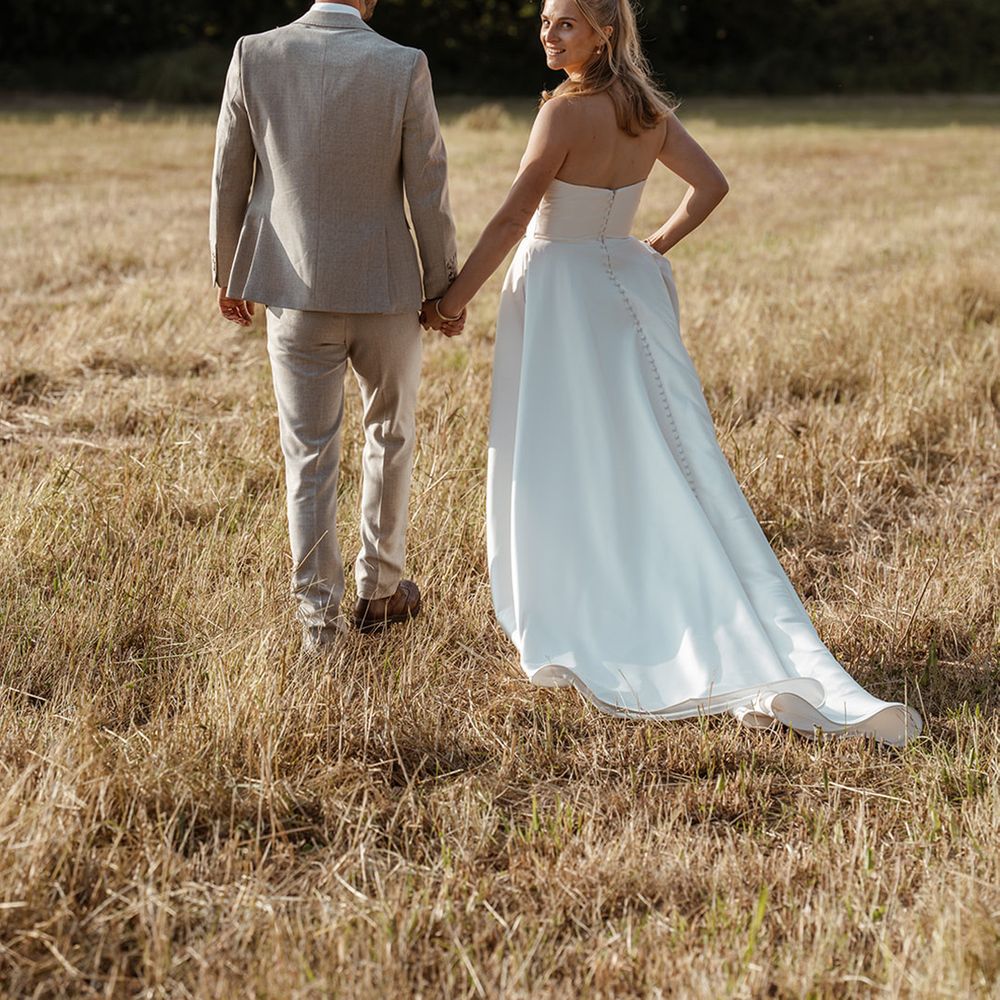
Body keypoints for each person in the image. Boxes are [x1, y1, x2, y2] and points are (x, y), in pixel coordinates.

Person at [434, 0, 922, 744]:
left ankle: (597, 598)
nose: (548, 33)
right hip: (621, 290)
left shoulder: (565, 114)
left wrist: (453, 298)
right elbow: (711, 186)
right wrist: (647, 245)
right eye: (543, 20)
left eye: (564, 22)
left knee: (565, 450)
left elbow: (510, 218)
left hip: (561, 294)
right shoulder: (646, 109)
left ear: (603, 31)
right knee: (649, 451)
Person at [209, 1, 464, 650]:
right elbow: (428, 188)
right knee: (391, 433)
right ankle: (379, 591)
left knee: (309, 458)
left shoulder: (254, 54)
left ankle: (318, 626)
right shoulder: (403, 65)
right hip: (387, 291)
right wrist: (443, 287)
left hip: (294, 293)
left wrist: (229, 271)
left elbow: (229, 174)